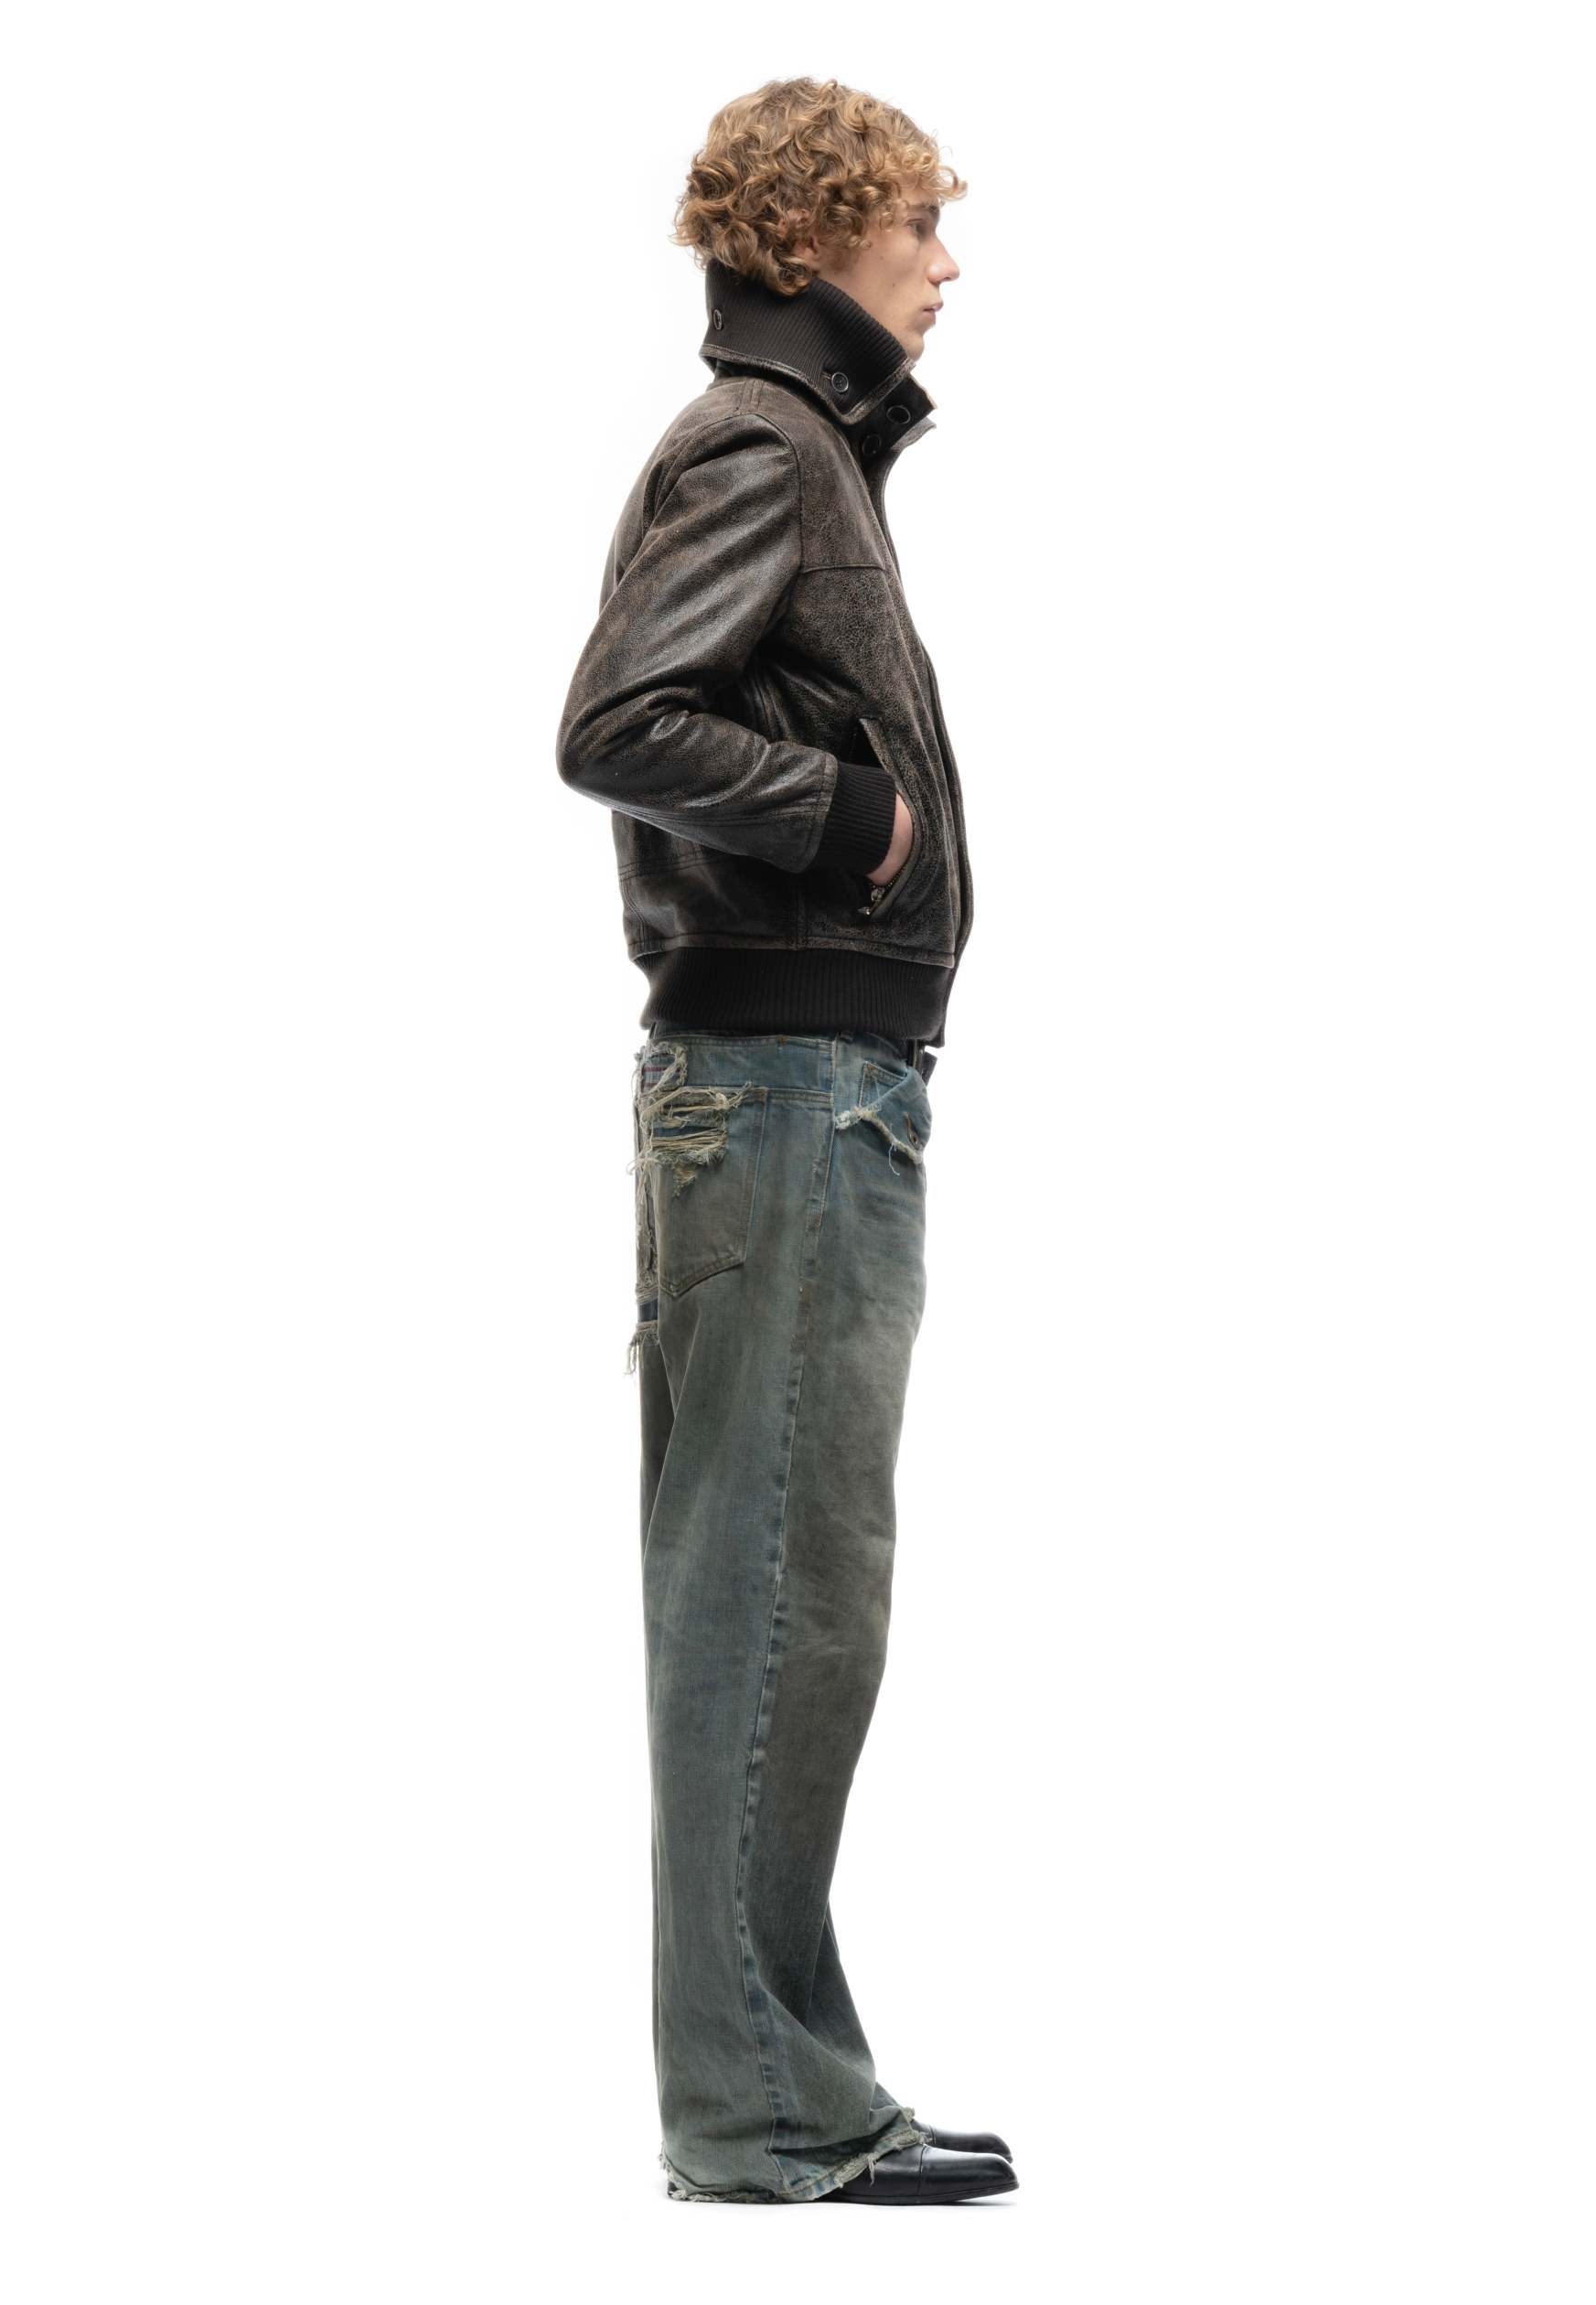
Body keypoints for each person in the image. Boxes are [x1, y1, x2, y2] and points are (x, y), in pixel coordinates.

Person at [556, 78, 1014, 2207]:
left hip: (803, 1093)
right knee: (774, 1600)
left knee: (777, 1593)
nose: (947, 260)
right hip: (788, 1091)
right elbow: (620, 721)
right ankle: (760, 2104)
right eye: (919, 223)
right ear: (817, 235)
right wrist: (856, 820)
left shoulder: (806, 444)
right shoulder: (762, 443)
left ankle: (772, 2078)